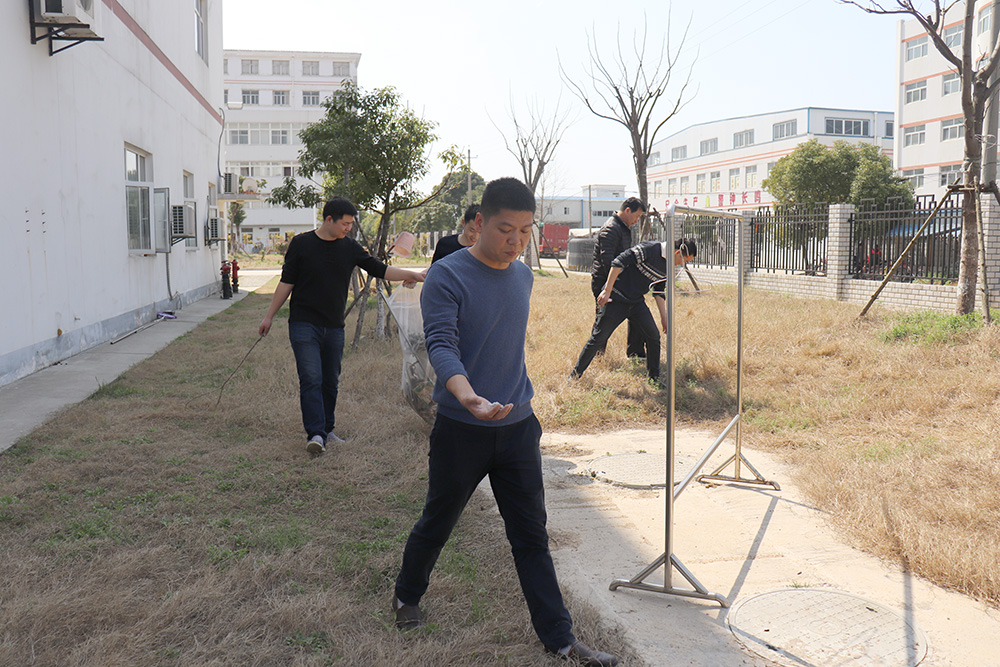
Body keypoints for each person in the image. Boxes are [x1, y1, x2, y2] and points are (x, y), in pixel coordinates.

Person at [392, 178, 619, 667]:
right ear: (479, 223)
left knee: (531, 536)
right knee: (439, 520)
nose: (516, 241)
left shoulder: (523, 276)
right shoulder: (447, 275)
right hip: (462, 428)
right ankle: (407, 595)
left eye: (525, 230)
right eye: (505, 229)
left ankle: (561, 640)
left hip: (518, 427)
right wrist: (468, 396)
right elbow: (442, 344)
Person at [258, 197, 425, 455]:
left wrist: (412, 274)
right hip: (304, 324)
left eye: (351, 224)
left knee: (330, 381)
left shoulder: (349, 247)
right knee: (311, 378)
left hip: (334, 326)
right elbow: (287, 282)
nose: (349, 228)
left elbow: (379, 269)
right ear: (329, 220)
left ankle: (327, 430)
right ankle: (315, 433)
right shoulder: (302, 244)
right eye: (345, 224)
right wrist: (269, 316)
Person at [571, 238, 698, 386]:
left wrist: (664, 318)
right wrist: (607, 290)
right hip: (616, 298)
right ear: (677, 253)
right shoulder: (649, 249)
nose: (682, 265)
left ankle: (654, 379)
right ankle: (574, 377)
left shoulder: (668, 266)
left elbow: (658, 291)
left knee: (653, 336)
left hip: (636, 302)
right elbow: (618, 262)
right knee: (598, 338)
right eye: (684, 261)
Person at [591, 197, 646, 358]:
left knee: (637, 313)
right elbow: (607, 261)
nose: (636, 221)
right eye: (636, 216)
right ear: (627, 210)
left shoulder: (622, 228)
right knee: (603, 322)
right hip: (605, 282)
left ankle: (636, 354)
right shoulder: (611, 229)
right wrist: (613, 285)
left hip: (619, 281)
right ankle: (596, 356)